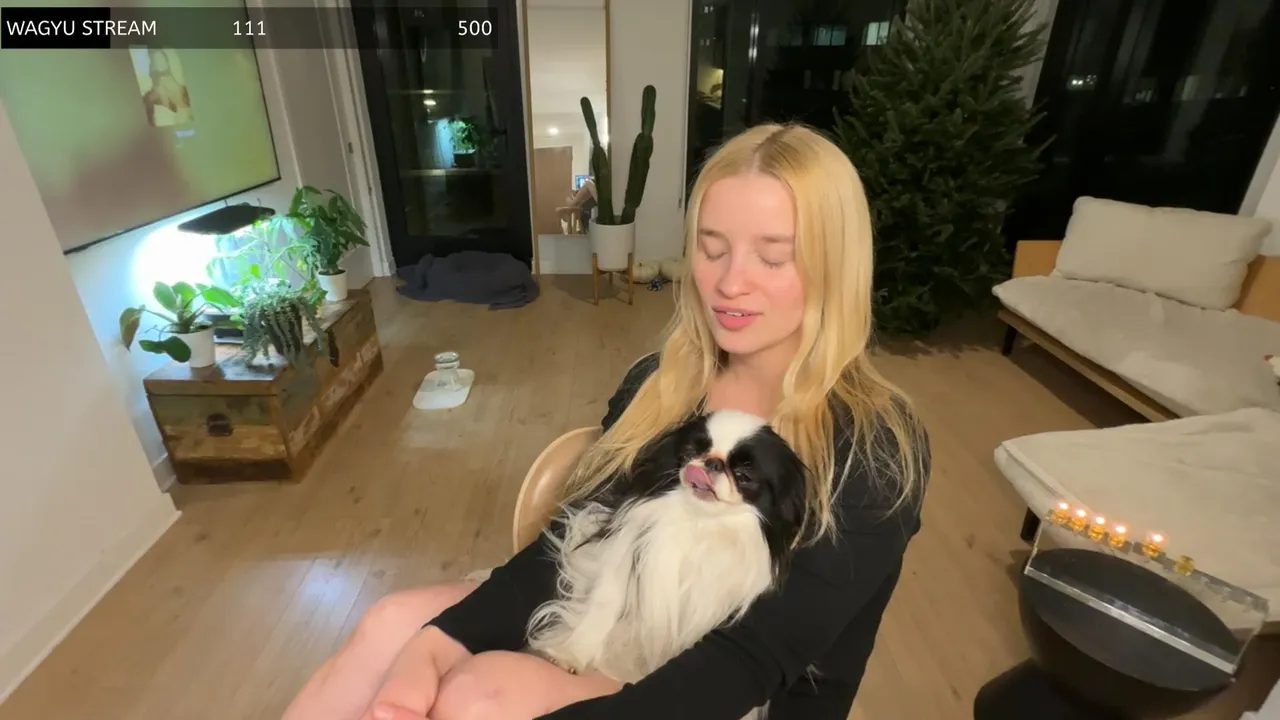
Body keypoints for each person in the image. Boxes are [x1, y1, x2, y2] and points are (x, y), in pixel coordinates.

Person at [282, 122, 931, 720]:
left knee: (478, 697)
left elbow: (747, 663)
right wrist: (438, 643)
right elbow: (573, 542)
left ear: (833, 267)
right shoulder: (657, 385)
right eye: (711, 249)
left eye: (772, 257)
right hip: (610, 607)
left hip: (732, 688)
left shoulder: (877, 449)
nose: (730, 283)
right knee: (391, 625)